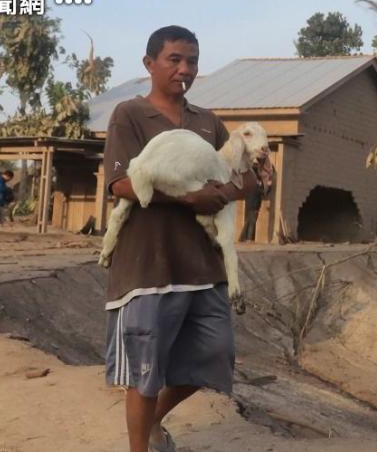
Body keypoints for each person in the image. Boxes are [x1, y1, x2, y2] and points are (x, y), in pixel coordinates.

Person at [102, 25, 272, 452]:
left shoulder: (207, 122)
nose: (184, 69)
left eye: (192, 61)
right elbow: (122, 184)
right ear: (149, 64)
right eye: (174, 59)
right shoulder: (130, 114)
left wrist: (246, 180)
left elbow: (234, 179)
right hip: (148, 268)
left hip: (202, 268)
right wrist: (189, 199)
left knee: (214, 358)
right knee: (144, 373)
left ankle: (155, 421)